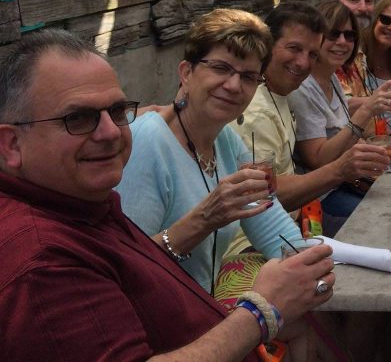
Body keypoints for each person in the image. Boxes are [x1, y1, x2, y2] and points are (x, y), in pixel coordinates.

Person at [0, 30, 334, 361]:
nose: (109, 132)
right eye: (78, 118)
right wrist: (260, 311)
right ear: (12, 145)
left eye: (117, 112)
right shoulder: (42, 260)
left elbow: (266, 218)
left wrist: (310, 264)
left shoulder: (86, 204)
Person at [117, 9, 303, 294]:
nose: (233, 85)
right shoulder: (149, 141)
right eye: (220, 68)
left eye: (248, 76)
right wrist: (203, 220)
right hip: (160, 314)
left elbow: (271, 225)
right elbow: (127, 268)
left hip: (203, 302)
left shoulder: (225, 139)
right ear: (186, 73)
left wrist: (307, 260)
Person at [227, 1, 391, 245]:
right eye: (294, 48)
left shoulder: (283, 91)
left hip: (300, 218)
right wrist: (340, 170)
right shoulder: (257, 112)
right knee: (383, 225)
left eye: (312, 54)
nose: (304, 63)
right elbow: (264, 196)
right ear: (267, 46)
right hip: (257, 243)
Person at [289, 0, 391, 224]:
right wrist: (366, 110)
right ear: (316, 37)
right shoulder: (303, 87)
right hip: (319, 199)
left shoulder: (330, 75)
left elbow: (346, 135)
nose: (342, 42)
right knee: (389, 219)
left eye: (350, 36)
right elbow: (318, 159)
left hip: (348, 182)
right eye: (333, 34)